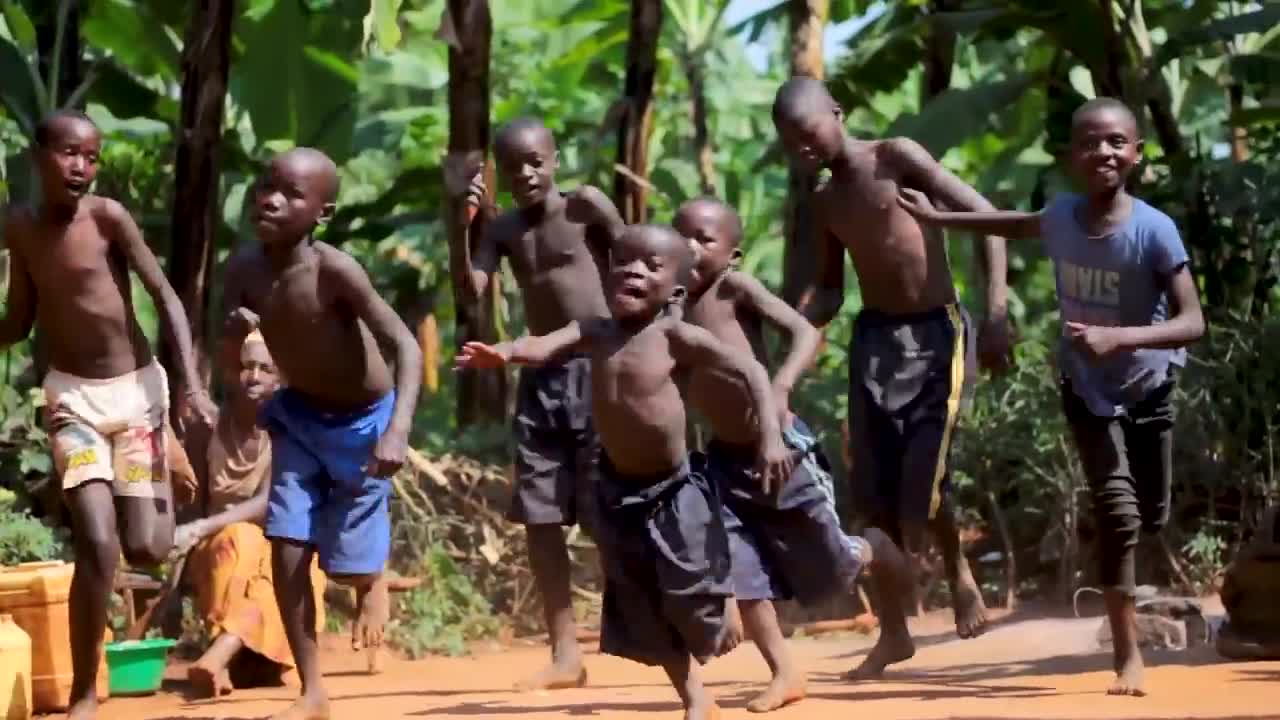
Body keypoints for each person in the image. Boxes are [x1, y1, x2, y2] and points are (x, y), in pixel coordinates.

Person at [897, 97, 1205, 696]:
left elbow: (1193, 321)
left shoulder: (1154, 231)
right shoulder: (1061, 216)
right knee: (1117, 512)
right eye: (1089, 142)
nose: (1103, 152)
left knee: (1151, 515)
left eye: (1116, 141)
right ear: (1070, 157)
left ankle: (1131, 582)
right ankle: (1127, 657)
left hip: (1148, 386)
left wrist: (1122, 337)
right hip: (1086, 390)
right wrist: (938, 223)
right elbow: (1010, 223)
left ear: (1137, 154)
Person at [456, 224, 792, 720]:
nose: (634, 269)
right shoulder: (594, 330)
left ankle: (720, 604)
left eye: (651, 266)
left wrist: (769, 435)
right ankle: (695, 696)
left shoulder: (675, 336)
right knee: (643, 600)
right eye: (624, 261)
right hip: (617, 490)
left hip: (676, 489)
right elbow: (544, 346)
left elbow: (752, 372)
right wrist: (502, 353)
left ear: (675, 291)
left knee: (688, 587)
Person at [771, 77, 1011, 678]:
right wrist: (793, 325)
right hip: (875, 341)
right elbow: (830, 289)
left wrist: (998, 312)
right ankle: (895, 632)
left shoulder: (896, 157)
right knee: (873, 493)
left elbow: (987, 216)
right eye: (789, 141)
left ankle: (956, 571)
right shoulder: (825, 203)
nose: (802, 146)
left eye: (808, 130)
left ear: (839, 114)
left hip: (936, 333)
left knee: (922, 484)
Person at [0, 110, 214, 720]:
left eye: (91, 158)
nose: (81, 168)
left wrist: (192, 390)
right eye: (69, 153)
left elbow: (165, 296)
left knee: (146, 546)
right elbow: (20, 318)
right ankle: (84, 692)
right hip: (73, 402)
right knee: (97, 542)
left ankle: (166, 449)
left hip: (139, 398)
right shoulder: (20, 226)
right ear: (39, 154)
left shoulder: (106, 218)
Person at [665, 197, 912, 712]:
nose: (689, 246)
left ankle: (880, 557)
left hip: (783, 451)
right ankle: (785, 672)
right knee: (742, 571)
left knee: (838, 561)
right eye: (681, 234)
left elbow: (802, 332)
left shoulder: (735, 289)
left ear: (732, 255)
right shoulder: (671, 304)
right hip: (725, 462)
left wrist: (779, 388)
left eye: (704, 239)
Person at [220, 147, 423, 720]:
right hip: (300, 418)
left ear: (322, 213)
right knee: (286, 548)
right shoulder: (242, 271)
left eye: (291, 193)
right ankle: (313, 691)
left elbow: (405, 345)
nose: (270, 199)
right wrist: (234, 341)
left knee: (347, 568)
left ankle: (372, 579)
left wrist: (398, 430)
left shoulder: (335, 270)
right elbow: (227, 360)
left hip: (365, 422)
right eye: (266, 186)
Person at [444, 117, 622, 690]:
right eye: (513, 165)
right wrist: (460, 222)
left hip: (600, 371)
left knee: (606, 511)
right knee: (541, 519)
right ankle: (565, 652)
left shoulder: (587, 207)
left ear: (556, 158)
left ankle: (663, 623)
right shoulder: (504, 232)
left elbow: (641, 268)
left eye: (535, 161)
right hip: (540, 382)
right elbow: (471, 290)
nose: (525, 173)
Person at [171, 330, 327, 698]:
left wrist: (198, 528)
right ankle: (229, 652)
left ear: (283, 377)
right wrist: (175, 576)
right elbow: (191, 498)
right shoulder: (209, 427)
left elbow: (268, 502)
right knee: (239, 540)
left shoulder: (292, 428)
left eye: (265, 368)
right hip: (217, 546)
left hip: (275, 541)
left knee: (282, 559)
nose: (253, 376)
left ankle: (224, 651)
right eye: (247, 366)